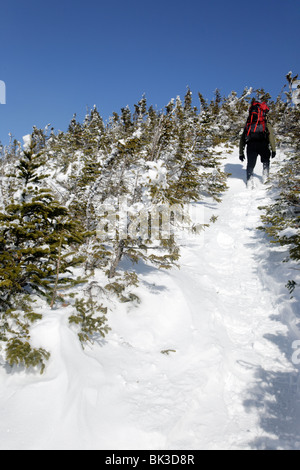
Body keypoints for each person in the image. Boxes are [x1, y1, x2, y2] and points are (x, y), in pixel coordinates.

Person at [239, 101, 276, 184]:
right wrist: (273, 150)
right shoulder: (265, 123)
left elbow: (242, 138)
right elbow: (271, 136)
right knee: (266, 160)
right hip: (263, 144)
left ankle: (249, 181)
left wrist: (241, 153)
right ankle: (265, 177)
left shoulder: (249, 122)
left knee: (250, 164)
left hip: (251, 145)